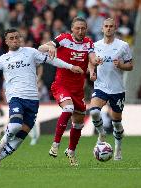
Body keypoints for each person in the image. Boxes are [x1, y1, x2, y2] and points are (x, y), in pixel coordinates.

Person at [0, 28, 84, 168]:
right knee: (15, 126)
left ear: (21, 39)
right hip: (16, 97)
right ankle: (3, 140)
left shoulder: (31, 52)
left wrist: (70, 66)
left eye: (17, 37)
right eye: (11, 38)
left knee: (21, 136)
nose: (15, 40)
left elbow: (52, 60)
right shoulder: (3, 59)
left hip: (33, 100)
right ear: (6, 41)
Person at [38, 17, 99, 166]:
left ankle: (71, 151)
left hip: (78, 89)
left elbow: (91, 57)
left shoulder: (89, 43)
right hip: (61, 85)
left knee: (78, 124)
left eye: (83, 28)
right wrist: (51, 47)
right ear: (72, 29)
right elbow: (41, 48)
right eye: (77, 28)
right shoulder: (63, 39)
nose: (80, 31)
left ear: (86, 29)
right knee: (68, 108)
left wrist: (96, 61)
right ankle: (55, 144)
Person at [89, 18, 133, 160]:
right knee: (94, 112)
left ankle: (118, 149)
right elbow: (90, 62)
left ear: (115, 28)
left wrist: (121, 65)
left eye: (111, 26)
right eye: (106, 26)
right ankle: (101, 133)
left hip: (117, 89)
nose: (108, 28)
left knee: (117, 122)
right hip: (101, 86)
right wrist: (92, 72)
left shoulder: (123, 46)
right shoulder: (95, 45)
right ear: (102, 29)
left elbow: (130, 65)